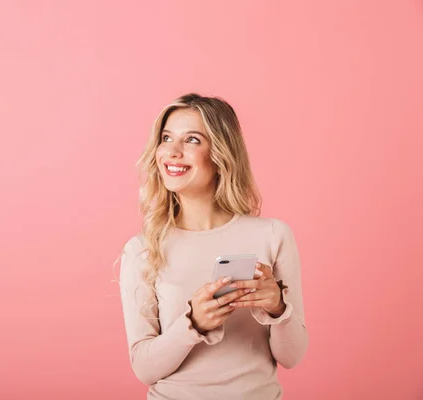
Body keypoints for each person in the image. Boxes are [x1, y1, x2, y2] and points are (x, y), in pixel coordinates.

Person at [118, 93, 308, 399]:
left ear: (220, 154)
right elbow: (144, 368)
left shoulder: (272, 235)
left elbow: (292, 356)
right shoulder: (142, 249)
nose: (173, 151)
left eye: (192, 140)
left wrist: (277, 307)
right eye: (167, 138)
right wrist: (193, 323)